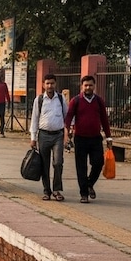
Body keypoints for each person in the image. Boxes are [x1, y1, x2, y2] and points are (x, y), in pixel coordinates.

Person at [65, 75, 113, 203]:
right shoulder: (76, 101)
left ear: (94, 86)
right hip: (80, 138)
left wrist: (108, 137)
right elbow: (69, 116)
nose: (88, 87)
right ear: (82, 86)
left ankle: (89, 183)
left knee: (98, 163)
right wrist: (66, 130)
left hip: (96, 138)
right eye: (85, 85)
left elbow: (104, 120)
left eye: (90, 85)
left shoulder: (99, 101)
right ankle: (84, 194)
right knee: (81, 167)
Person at [30, 73, 68, 201]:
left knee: (58, 163)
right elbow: (34, 119)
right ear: (43, 85)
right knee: (44, 164)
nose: (50, 86)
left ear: (55, 84)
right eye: (47, 83)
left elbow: (67, 117)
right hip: (43, 135)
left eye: (52, 83)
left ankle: (57, 190)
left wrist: (68, 134)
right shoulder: (39, 100)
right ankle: (47, 191)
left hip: (58, 135)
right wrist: (33, 138)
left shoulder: (61, 99)